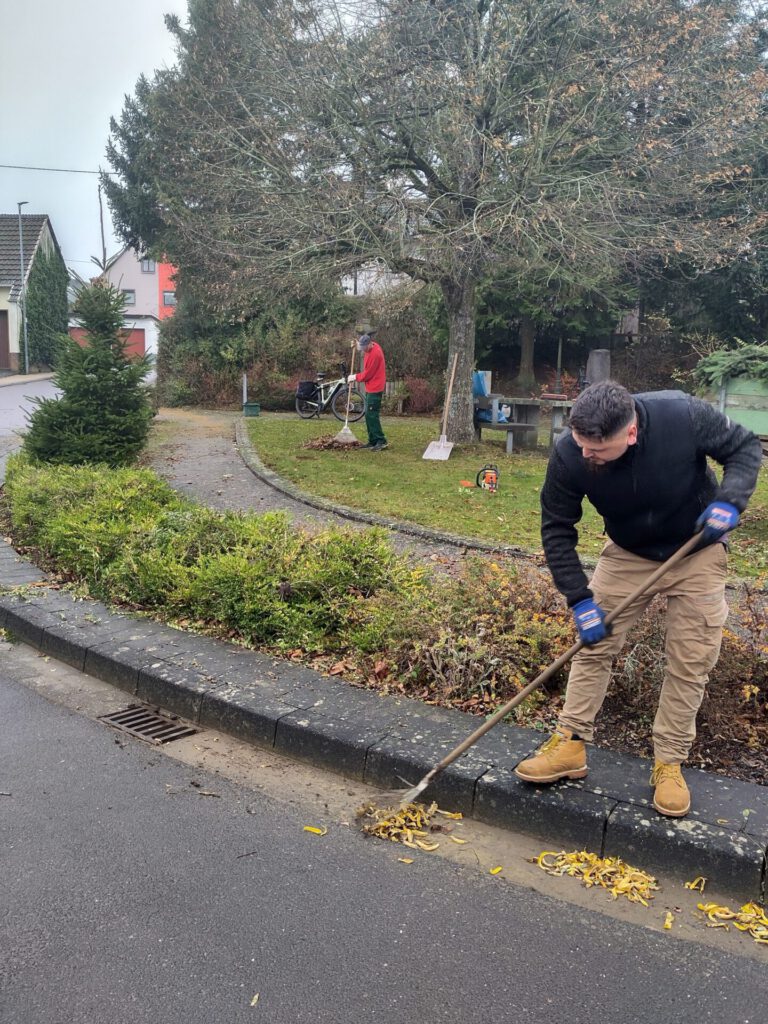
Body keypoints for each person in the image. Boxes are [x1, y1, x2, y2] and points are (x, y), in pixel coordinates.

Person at [514, 381, 762, 817]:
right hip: (628, 553)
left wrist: (731, 500)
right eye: (581, 444)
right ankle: (570, 743)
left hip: (696, 549)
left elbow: (744, 449)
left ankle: (668, 762)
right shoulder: (571, 453)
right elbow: (556, 527)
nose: (587, 455)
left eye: (599, 449)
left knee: (690, 660)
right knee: (594, 648)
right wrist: (579, 598)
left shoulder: (681, 416)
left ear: (630, 433)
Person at [348, 331, 388, 451]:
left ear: (370, 344)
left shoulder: (375, 354)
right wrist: (356, 344)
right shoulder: (372, 346)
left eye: (364, 347)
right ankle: (373, 440)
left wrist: (355, 377)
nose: (363, 350)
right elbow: (361, 344)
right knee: (368, 414)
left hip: (375, 387)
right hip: (371, 386)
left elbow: (367, 375)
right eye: (362, 347)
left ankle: (381, 441)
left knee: (372, 415)